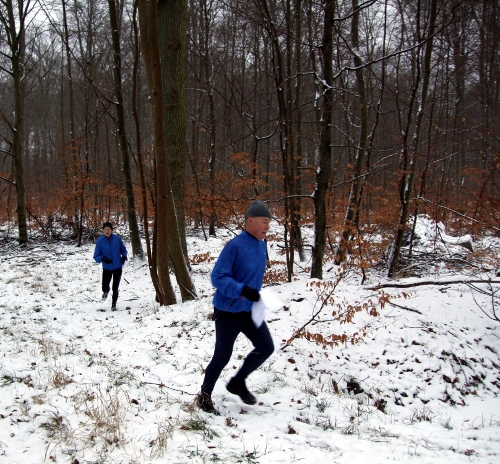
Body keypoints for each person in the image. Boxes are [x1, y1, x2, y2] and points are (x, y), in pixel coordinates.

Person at [196, 200, 275, 415]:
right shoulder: (235, 246)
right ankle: (204, 396)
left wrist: (255, 296)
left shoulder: (261, 244)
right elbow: (218, 277)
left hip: (249, 310)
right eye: (264, 222)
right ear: (250, 221)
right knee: (222, 356)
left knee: (266, 347)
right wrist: (242, 290)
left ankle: (237, 382)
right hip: (229, 311)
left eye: (270, 223)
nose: (268, 226)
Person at [93, 222, 128, 311]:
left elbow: (123, 250)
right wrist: (103, 259)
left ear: (111, 230)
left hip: (117, 266)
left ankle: (113, 305)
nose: (107, 231)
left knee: (115, 287)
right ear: (103, 231)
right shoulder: (100, 241)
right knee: (105, 286)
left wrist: (124, 256)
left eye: (108, 229)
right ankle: (105, 291)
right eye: (105, 229)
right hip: (107, 268)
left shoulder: (117, 239)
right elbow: (96, 256)